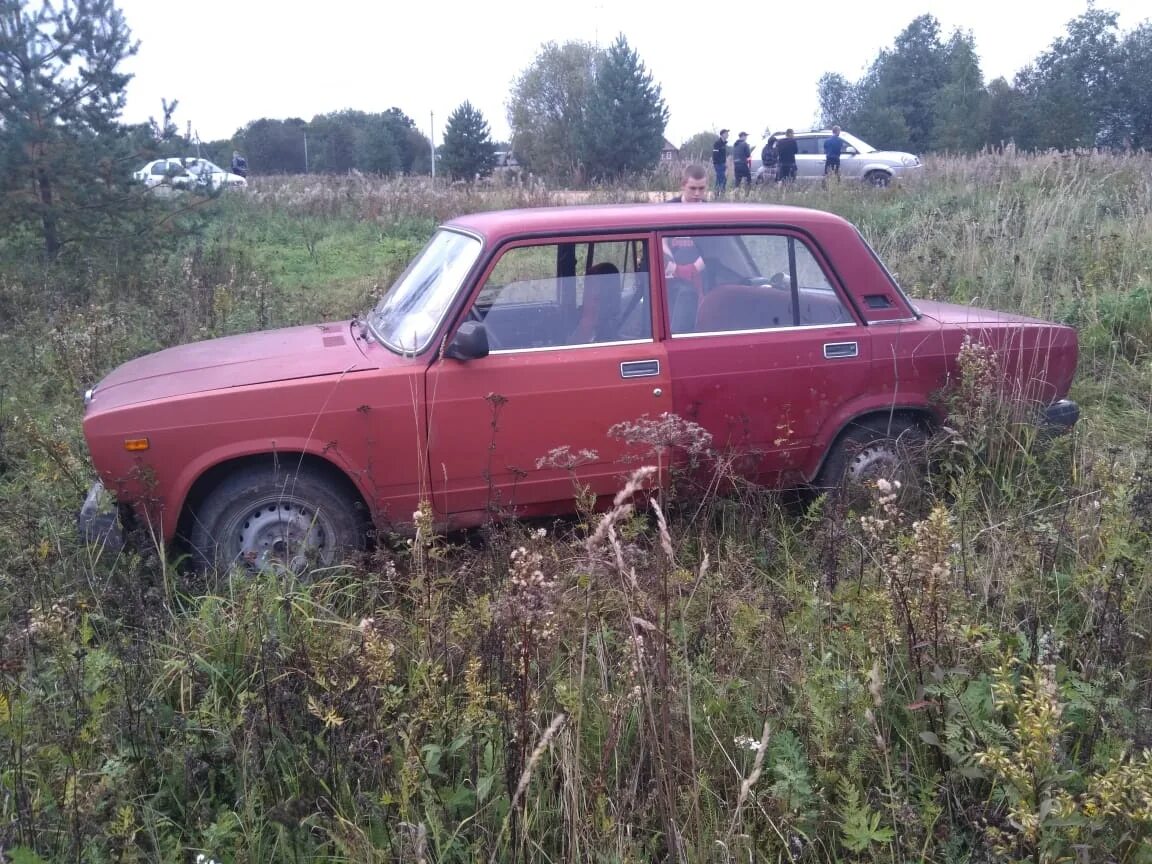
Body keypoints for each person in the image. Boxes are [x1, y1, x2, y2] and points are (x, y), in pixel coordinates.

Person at [711, 129, 729, 194]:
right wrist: (719, 164)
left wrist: (725, 163)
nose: (728, 135)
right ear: (722, 134)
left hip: (722, 164)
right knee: (723, 179)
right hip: (718, 164)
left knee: (719, 179)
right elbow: (715, 155)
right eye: (726, 133)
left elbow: (723, 155)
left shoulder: (724, 144)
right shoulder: (717, 143)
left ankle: (716, 194)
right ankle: (721, 193)